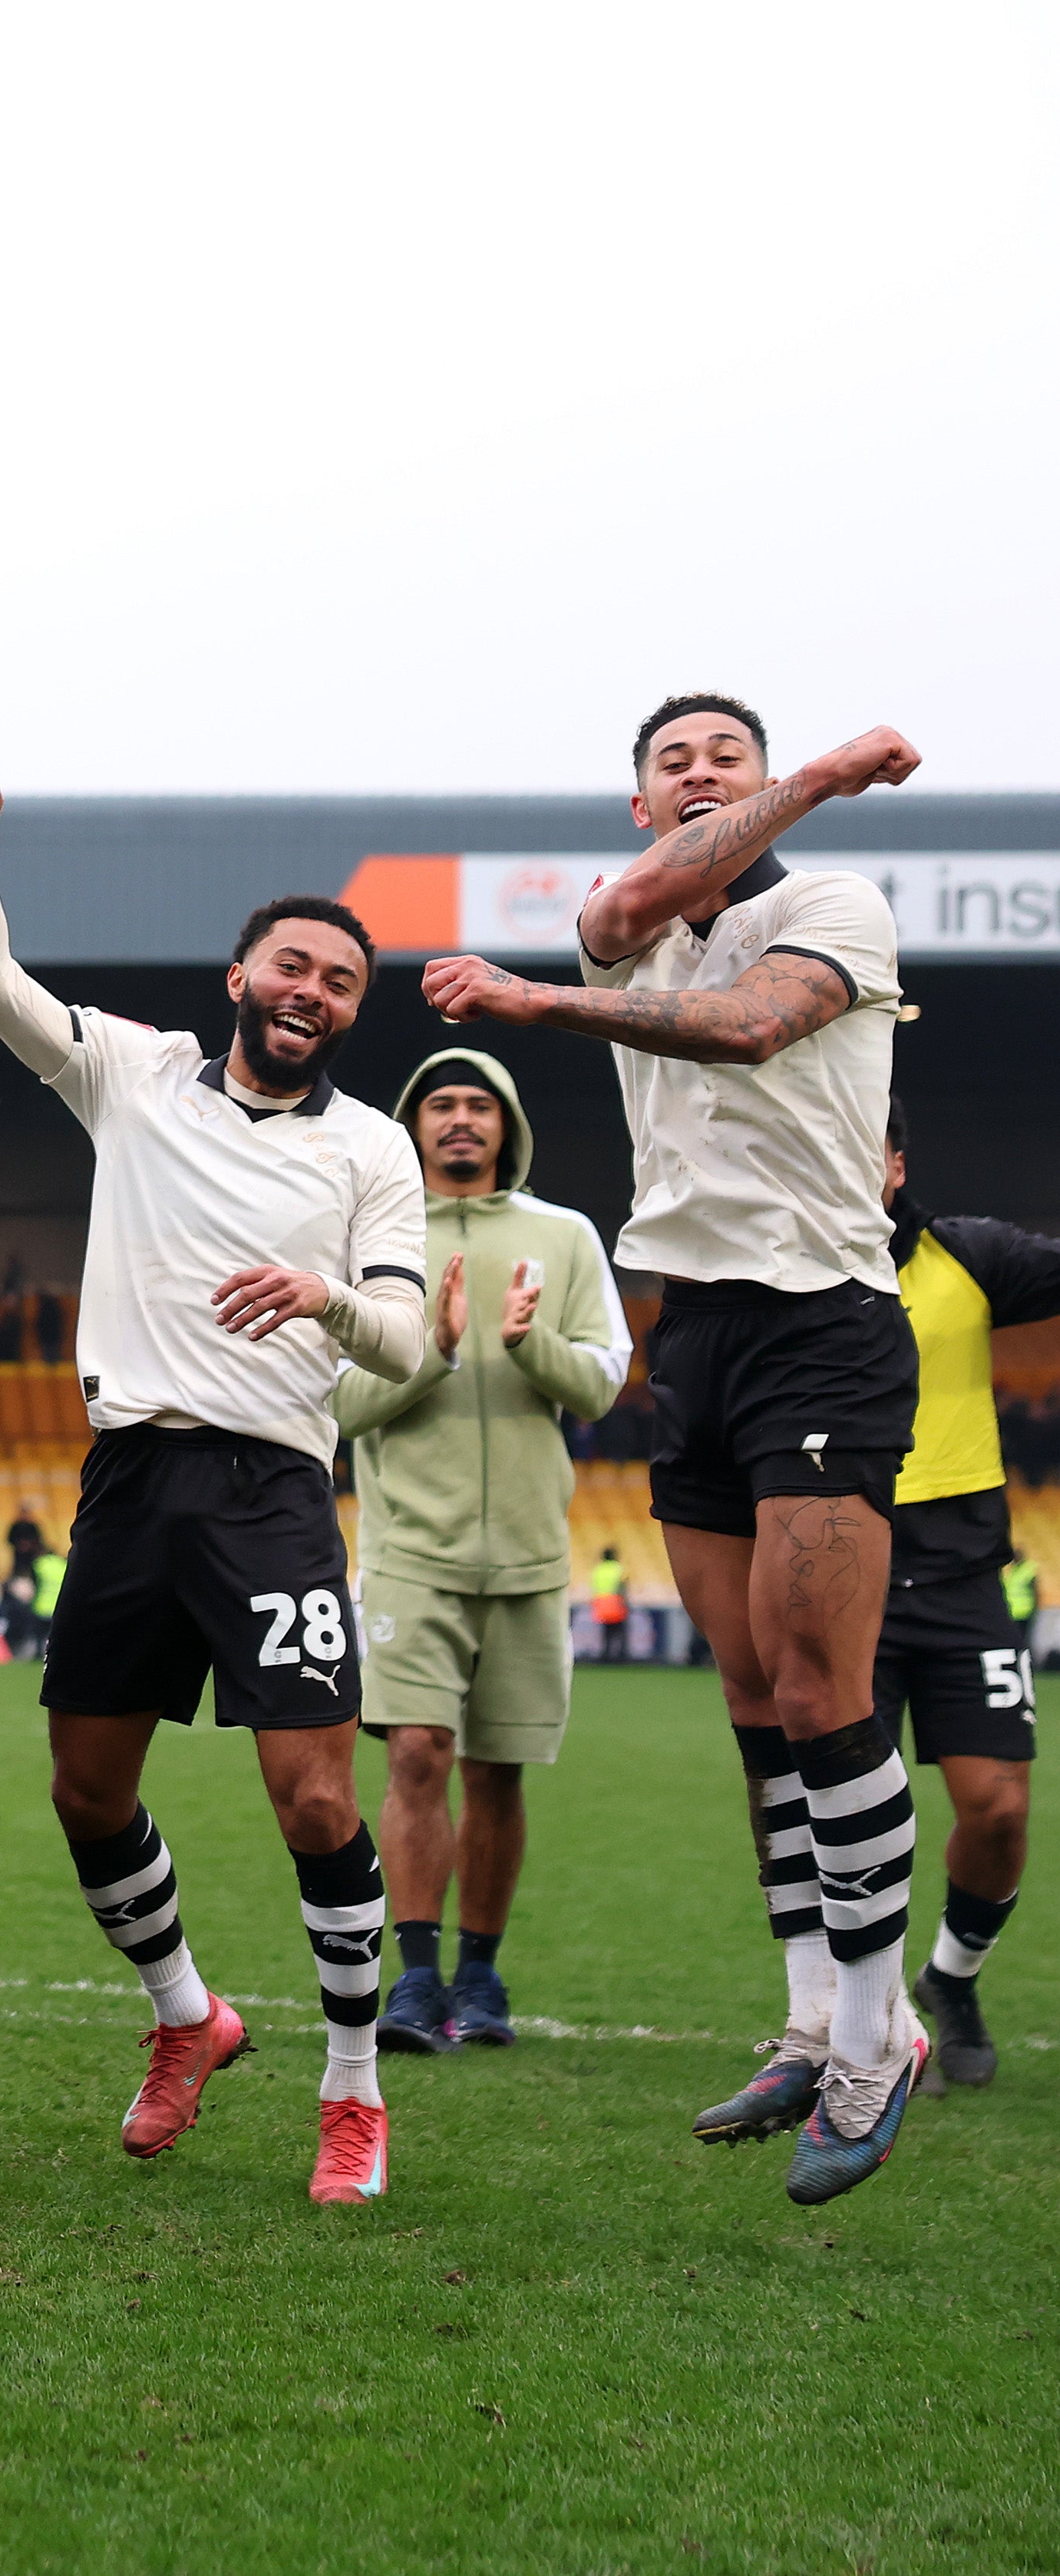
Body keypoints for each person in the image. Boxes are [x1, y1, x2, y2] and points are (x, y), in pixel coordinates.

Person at [422, 695, 926, 2201]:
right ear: (639, 805)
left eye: (728, 757)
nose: (698, 773)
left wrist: (826, 781)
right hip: (690, 1332)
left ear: (767, 791)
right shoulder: (622, 919)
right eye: (669, 763)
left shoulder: (829, 899)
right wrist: (561, 973)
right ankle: (803, 2017)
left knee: (825, 1686)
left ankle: (873, 2034)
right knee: (753, 1694)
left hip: (820, 1318)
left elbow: (752, 1024)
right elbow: (622, 909)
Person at [0, 749, 430, 2206]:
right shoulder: (133, 1073)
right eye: (292, 965)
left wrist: (324, 1298)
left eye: (338, 983)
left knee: (314, 1804)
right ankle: (186, 2019)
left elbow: (403, 1342)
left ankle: (351, 2096)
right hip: (129, 1484)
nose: (312, 993)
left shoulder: (372, 1151)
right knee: (84, 1792)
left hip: (272, 1493)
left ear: (348, 1011)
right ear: (237, 977)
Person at [329, 1049, 626, 2057]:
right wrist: (439, 1349)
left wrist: (526, 1342)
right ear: (413, 1123)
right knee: (417, 1753)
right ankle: (415, 1979)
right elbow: (342, 1402)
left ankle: (481, 1974)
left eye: (479, 1104)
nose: (460, 1119)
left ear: (506, 1124)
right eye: (441, 1103)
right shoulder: (375, 1237)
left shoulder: (564, 1236)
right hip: (411, 1548)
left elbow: (600, 1384)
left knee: (499, 1774)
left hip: (532, 1555)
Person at [877, 1101, 1056, 2088]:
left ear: (895, 1165)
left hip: (959, 1580)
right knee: (850, 1820)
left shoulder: (966, 1257)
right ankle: (848, 2019)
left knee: (994, 1810)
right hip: (837, 1578)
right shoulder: (786, 1276)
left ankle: (951, 1976)